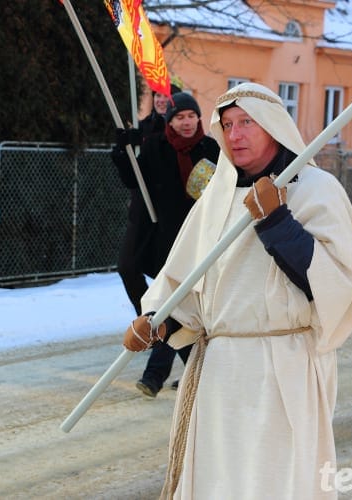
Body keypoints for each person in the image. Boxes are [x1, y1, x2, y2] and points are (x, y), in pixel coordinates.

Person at [122, 82, 352, 499]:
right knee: (219, 482)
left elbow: (335, 286)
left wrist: (277, 222)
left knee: (274, 481)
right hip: (220, 371)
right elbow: (190, 282)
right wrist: (159, 321)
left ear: (272, 126)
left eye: (246, 123)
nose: (234, 135)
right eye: (228, 124)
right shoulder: (215, 196)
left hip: (282, 366)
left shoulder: (316, 189)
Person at [111, 91, 219, 398]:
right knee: (163, 299)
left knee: (179, 305)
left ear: (199, 118)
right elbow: (135, 180)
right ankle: (157, 333)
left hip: (195, 239)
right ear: (169, 121)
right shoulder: (157, 146)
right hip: (161, 236)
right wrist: (123, 151)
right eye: (179, 117)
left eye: (190, 116)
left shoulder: (211, 148)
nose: (186, 123)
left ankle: (164, 369)